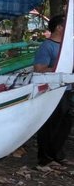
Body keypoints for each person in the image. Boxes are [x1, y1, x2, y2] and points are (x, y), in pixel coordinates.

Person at [33, 14, 73, 168]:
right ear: (59, 27)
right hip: (52, 90)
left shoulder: (67, 46)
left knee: (65, 123)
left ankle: (57, 155)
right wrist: (60, 71)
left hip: (66, 89)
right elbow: (39, 69)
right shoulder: (47, 46)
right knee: (51, 124)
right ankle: (45, 158)